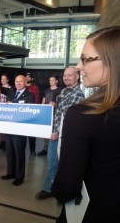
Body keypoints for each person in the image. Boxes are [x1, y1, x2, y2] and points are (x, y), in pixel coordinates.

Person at [51, 26, 120, 223]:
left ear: (112, 61)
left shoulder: (82, 114)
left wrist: (56, 189)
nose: (79, 66)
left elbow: (67, 187)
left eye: (85, 59)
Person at [35, 67, 84, 201]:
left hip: (66, 136)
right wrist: (54, 130)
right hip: (56, 133)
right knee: (52, 162)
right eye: (64, 75)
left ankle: (59, 191)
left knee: (63, 165)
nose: (66, 78)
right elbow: (58, 114)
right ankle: (50, 188)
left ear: (77, 77)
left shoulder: (77, 94)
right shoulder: (63, 91)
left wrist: (56, 105)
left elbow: (69, 116)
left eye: (70, 75)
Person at [1, 75, 34, 186]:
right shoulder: (10, 94)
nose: (18, 83)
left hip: (20, 129)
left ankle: (19, 176)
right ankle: (10, 173)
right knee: (9, 152)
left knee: (19, 153)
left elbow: (29, 112)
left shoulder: (30, 96)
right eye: (16, 81)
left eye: (20, 81)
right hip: (9, 128)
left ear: (25, 82)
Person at [38, 75, 61, 156]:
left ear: (57, 81)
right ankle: (45, 148)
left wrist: (56, 104)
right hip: (47, 114)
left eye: (53, 80)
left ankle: (54, 149)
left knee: (55, 132)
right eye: (50, 80)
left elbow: (62, 104)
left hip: (56, 114)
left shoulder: (60, 91)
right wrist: (42, 110)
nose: (51, 82)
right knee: (46, 131)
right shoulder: (46, 91)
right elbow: (43, 102)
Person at [25, 72, 40, 156]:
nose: (27, 78)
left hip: (32, 112)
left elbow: (37, 100)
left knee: (31, 133)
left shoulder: (35, 87)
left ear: (32, 79)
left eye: (29, 77)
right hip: (23, 112)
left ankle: (32, 150)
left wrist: (34, 111)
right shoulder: (22, 86)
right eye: (26, 77)